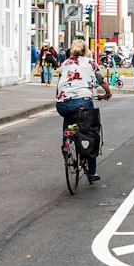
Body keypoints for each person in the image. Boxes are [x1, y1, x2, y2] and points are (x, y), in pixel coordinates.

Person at [54, 39, 110, 185]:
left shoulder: (65, 63)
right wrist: (108, 93)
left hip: (62, 104)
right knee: (90, 132)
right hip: (83, 101)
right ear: (86, 50)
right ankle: (92, 172)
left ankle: (66, 143)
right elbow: (102, 81)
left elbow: (59, 87)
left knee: (69, 119)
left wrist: (62, 98)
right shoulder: (90, 62)